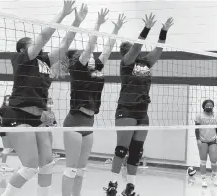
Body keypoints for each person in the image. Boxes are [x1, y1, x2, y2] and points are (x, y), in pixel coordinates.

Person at [0, 1, 76, 196]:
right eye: (32, 45)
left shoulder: (44, 61)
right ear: (22, 50)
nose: (39, 47)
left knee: (47, 165)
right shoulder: (21, 59)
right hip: (19, 114)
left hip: (39, 118)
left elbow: (64, 46)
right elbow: (42, 37)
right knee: (30, 166)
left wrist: (75, 22)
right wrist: (62, 14)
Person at [50, 6, 127, 196]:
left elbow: (107, 50)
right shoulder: (78, 68)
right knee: (71, 168)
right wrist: (98, 24)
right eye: (88, 56)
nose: (92, 56)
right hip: (75, 122)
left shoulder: (96, 67)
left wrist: (116, 29)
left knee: (82, 169)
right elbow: (90, 46)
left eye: (92, 56)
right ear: (78, 60)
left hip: (89, 123)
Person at [104, 13, 174, 196]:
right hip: (126, 109)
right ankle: (112, 185)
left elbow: (159, 49)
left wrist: (163, 32)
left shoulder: (145, 62)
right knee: (122, 149)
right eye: (129, 49)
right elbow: (136, 47)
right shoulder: (126, 63)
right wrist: (146, 29)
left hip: (143, 112)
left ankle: (130, 187)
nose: (134, 51)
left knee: (137, 151)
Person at [194, 99, 217, 187]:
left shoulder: (216, 117)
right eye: (207, 105)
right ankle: (203, 179)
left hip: (212, 140)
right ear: (204, 106)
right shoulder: (199, 116)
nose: (209, 107)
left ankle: (214, 175)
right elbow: (197, 129)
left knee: (214, 160)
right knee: (203, 161)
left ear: (213, 106)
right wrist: (198, 139)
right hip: (202, 140)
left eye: (211, 105)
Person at [0, 95, 15, 172]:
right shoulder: (4, 108)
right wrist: (1, 119)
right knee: (7, 148)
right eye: (7, 100)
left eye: (10, 99)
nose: (9, 101)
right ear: (4, 101)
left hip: (9, 130)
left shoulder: (11, 109)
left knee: (10, 148)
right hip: (4, 131)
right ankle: (3, 166)